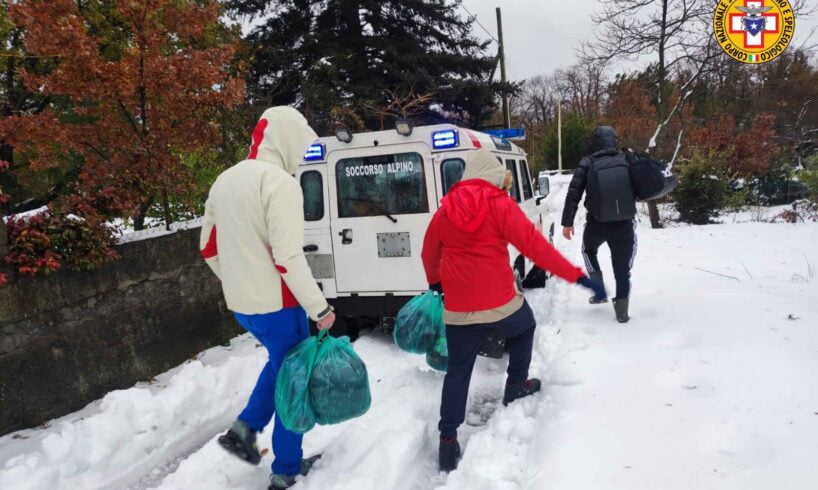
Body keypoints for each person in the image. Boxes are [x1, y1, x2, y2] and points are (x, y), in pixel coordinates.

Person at [421, 149, 606, 472]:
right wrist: (578, 276)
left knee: (458, 371)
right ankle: (515, 385)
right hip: (499, 301)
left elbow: (428, 253)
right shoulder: (500, 205)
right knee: (525, 327)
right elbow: (537, 249)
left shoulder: (445, 210)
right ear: (493, 178)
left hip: (459, 306)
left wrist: (436, 282)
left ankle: (447, 441)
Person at [200, 106, 335, 490]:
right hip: (281, 306)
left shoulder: (224, 180)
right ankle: (285, 469)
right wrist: (320, 309)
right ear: (288, 139)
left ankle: (244, 429)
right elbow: (288, 257)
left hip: (245, 307)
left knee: (280, 365)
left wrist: (241, 280)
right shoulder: (279, 183)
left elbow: (208, 247)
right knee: (294, 380)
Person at [562, 125, 637, 323]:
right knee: (623, 270)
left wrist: (567, 223)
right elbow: (642, 184)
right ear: (614, 140)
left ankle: (599, 292)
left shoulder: (587, 162)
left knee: (588, 251)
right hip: (625, 225)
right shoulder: (627, 159)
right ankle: (622, 313)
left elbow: (573, 194)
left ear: (594, 142)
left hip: (597, 224)